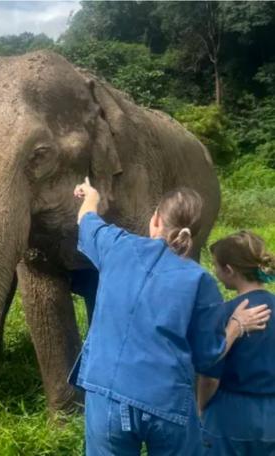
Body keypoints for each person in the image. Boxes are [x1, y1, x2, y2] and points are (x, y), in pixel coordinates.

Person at [69, 179, 271, 456]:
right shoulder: (200, 281)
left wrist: (91, 195)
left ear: (155, 219)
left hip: (106, 393)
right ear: (195, 234)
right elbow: (207, 357)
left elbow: (86, 218)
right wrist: (236, 325)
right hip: (165, 401)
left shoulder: (116, 246)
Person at [197, 231, 275, 455]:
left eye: (216, 266)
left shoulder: (225, 314)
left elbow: (210, 377)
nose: (215, 271)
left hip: (231, 414)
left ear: (229, 270)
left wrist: (201, 407)